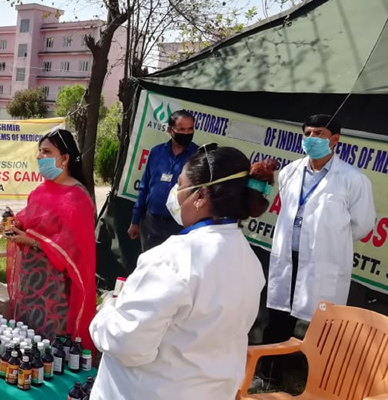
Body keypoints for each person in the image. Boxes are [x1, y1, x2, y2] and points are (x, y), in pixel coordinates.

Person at [89, 145, 275, 400]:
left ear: (201, 196)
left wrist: (106, 312)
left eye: (180, 185)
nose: (174, 194)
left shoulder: (173, 260)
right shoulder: (248, 261)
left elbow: (128, 344)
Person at [254, 114, 376, 389]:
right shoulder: (290, 171)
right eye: (308, 133)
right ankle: (268, 376)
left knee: (322, 326)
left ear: (335, 139)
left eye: (319, 133)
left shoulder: (353, 179)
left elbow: (363, 224)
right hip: (289, 257)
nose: (312, 139)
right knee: (278, 319)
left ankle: (317, 383)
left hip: (324, 261)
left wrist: (329, 239)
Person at [5, 129, 96, 351]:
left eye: (46, 152)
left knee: (48, 340)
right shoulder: (40, 190)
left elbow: (74, 248)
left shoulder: (77, 197)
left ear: (64, 158)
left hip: (55, 285)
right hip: (30, 279)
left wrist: (32, 241)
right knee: (26, 336)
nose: (39, 156)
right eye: (39, 151)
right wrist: (15, 224)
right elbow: (31, 221)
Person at [128, 110, 199, 251]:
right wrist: (135, 221)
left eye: (190, 129)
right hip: (152, 224)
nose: (186, 133)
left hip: (180, 228)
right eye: (182, 129)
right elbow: (144, 187)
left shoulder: (198, 157)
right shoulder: (156, 152)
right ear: (170, 130)